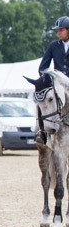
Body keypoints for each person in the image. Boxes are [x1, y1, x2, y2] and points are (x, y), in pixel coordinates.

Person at [35, 16, 69, 144]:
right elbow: (42, 68)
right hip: (58, 85)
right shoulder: (53, 46)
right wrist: (50, 76)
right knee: (42, 98)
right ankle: (41, 132)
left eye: (61, 30)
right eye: (57, 30)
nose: (58, 32)